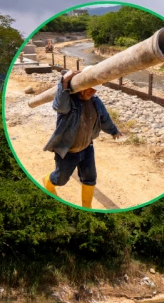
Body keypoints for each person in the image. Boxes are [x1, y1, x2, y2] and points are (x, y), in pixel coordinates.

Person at [42, 68, 122, 208]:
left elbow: (104, 119)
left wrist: (114, 131)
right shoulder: (68, 101)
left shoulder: (96, 101)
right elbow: (58, 106)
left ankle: (87, 207)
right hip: (67, 151)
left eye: (95, 89)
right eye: (89, 88)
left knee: (90, 178)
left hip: (87, 148)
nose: (92, 91)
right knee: (60, 180)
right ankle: (47, 181)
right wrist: (65, 81)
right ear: (80, 86)